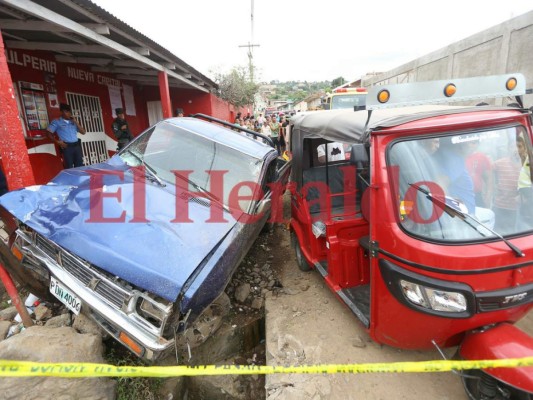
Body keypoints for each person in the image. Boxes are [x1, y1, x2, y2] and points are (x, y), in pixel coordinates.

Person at [46, 103, 86, 169]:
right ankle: (70, 179)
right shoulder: (57, 122)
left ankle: (79, 179)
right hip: (67, 147)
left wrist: (76, 122)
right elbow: (48, 133)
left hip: (77, 147)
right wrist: (57, 142)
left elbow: (83, 132)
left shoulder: (73, 122)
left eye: (69, 112)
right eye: (66, 112)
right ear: (61, 112)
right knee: (69, 167)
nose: (68, 113)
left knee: (80, 167)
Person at [516, 135, 533, 227]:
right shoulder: (522, 158)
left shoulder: (530, 158)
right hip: (523, 195)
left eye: (520, 146)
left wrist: (527, 198)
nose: (517, 150)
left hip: (527, 194)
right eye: (516, 147)